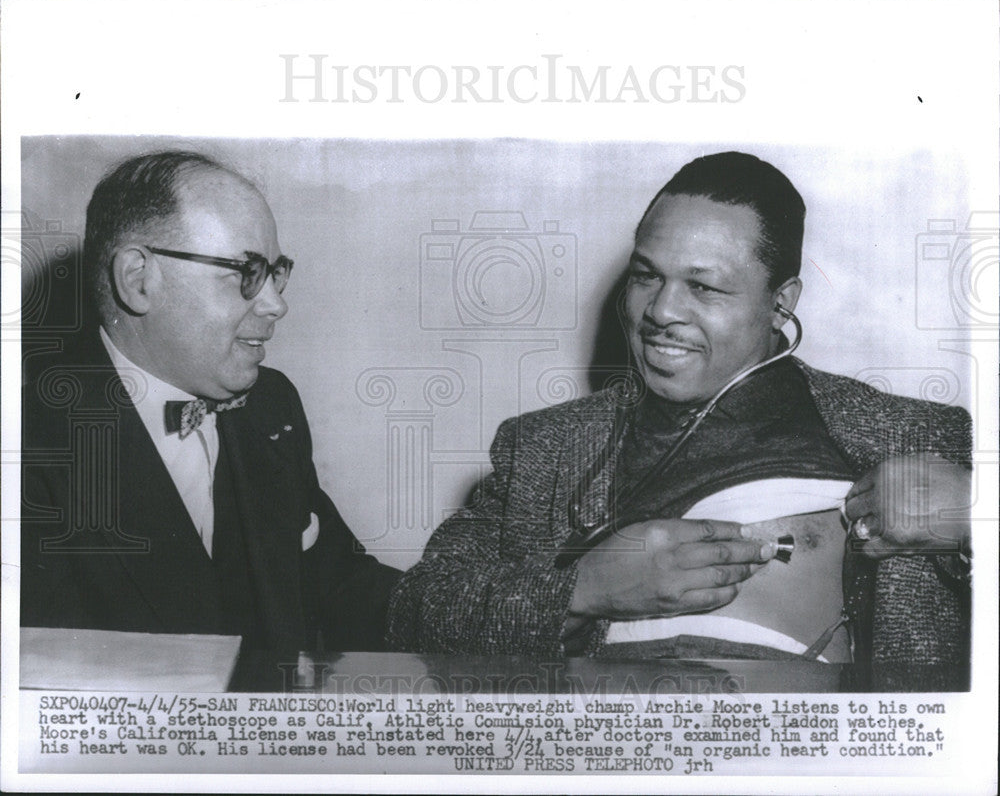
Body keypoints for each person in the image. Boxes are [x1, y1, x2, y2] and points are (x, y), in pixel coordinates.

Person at [387, 152, 972, 688]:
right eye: (647, 276)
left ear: (781, 303)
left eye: (703, 285)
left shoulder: (919, 439)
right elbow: (413, 612)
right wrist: (583, 591)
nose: (661, 311)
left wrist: (977, 513)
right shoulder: (545, 447)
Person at [21, 151, 400, 674]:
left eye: (274, 273)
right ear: (138, 280)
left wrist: (521, 613)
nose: (275, 305)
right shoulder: (27, 445)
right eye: (246, 271)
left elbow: (342, 585)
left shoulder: (270, 405)